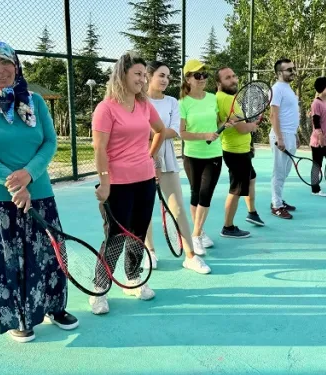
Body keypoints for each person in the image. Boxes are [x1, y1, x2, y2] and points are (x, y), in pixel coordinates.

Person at [0, 41, 78, 343]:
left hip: (38, 189)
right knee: (6, 260)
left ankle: (54, 307)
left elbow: (49, 142)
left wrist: (29, 175)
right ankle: (19, 318)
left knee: (50, 254)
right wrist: (15, 183)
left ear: (16, 64)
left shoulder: (35, 102)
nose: (0, 70)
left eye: (5, 62)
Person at [89, 51, 166, 315]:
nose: (143, 79)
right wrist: (105, 182)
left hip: (145, 179)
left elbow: (161, 130)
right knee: (115, 236)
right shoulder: (106, 108)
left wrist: (149, 156)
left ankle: (132, 279)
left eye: (145, 75)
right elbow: (99, 149)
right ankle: (99, 288)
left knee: (138, 232)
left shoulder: (144, 105)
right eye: (138, 74)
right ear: (122, 74)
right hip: (117, 183)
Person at [143, 61, 211, 274]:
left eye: (168, 76)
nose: (165, 80)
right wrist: (150, 150)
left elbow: (175, 131)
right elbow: (138, 131)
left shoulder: (172, 102)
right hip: (140, 160)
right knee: (144, 210)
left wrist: (153, 136)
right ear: (149, 76)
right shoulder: (138, 100)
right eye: (161, 75)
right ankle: (150, 251)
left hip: (167, 159)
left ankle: (190, 256)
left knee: (178, 208)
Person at [178, 59, 226, 254]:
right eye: (197, 75)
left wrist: (225, 123)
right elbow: (182, 132)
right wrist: (204, 136)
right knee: (195, 194)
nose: (202, 78)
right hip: (191, 155)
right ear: (188, 78)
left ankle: (195, 235)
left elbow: (217, 122)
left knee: (205, 195)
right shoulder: (182, 102)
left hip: (213, 154)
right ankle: (200, 231)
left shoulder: (213, 98)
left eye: (205, 75)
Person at [215, 66, 264, 238]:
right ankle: (227, 227)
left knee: (251, 178)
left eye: (234, 75)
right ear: (218, 83)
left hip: (239, 150)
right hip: (236, 152)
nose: (233, 79)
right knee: (236, 189)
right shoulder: (226, 100)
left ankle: (252, 212)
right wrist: (253, 125)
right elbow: (242, 128)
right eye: (227, 77)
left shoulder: (224, 98)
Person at [269, 58, 299, 219]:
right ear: (279, 73)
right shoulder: (276, 89)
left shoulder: (288, 88)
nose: (292, 72)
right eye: (289, 70)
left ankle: (277, 199)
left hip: (290, 135)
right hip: (281, 135)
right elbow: (273, 115)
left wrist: (295, 135)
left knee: (285, 171)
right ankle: (276, 206)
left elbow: (291, 113)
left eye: (293, 69)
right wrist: (280, 138)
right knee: (279, 172)